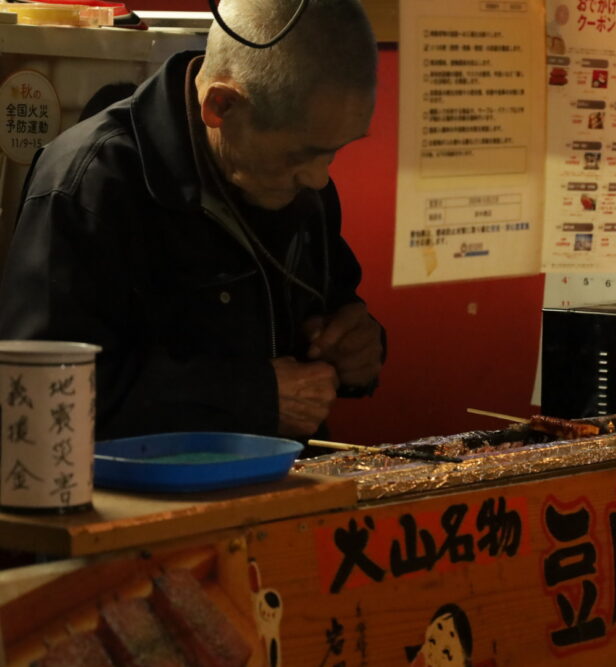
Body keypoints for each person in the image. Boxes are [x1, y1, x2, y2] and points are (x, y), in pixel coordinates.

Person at [0, 0, 384, 442]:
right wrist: (250, 398)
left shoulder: (302, 182)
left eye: (336, 150)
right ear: (220, 105)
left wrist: (357, 349)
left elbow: (335, 311)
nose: (319, 177)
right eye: (303, 154)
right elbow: (41, 399)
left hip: (282, 486)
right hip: (137, 499)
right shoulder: (93, 182)